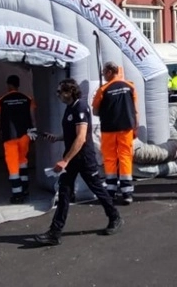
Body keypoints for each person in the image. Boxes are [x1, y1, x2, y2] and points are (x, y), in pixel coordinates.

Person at [34, 78, 123, 245]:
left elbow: (81, 137)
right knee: (64, 192)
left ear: (69, 92)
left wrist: (65, 160)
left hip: (83, 157)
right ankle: (55, 232)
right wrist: (58, 137)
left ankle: (115, 217)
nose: (58, 95)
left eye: (60, 91)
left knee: (97, 188)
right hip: (72, 157)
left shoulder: (80, 107)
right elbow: (72, 134)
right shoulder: (70, 108)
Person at [91, 62, 138, 205]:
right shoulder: (130, 86)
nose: (103, 75)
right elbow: (135, 110)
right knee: (125, 157)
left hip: (108, 128)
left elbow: (95, 111)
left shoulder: (103, 90)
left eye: (104, 72)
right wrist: (135, 128)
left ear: (110, 72)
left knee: (110, 158)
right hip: (126, 128)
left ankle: (111, 191)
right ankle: (127, 192)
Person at [0, 74, 38, 204]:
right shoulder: (28, 99)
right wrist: (34, 131)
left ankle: (17, 194)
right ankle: (25, 188)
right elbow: (33, 119)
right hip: (25, 135)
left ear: (9, 85)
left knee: (13, 166)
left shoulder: (1, 100)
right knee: (23, 161)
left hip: (9, 137)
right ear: (18, 85)